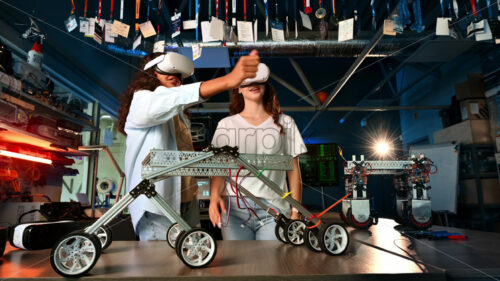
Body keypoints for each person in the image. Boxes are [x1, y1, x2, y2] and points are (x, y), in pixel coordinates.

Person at [117, 50, 260, 241]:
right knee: (162, 266)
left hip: (186, 202)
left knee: (191, 263)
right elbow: (172, 97)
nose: (175, 77)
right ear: (150, 74)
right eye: (167, 71)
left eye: (179, 75)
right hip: (158, 204)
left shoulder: (178, 114)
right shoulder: (142, 100)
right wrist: (228, 80)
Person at [209, 63, 307, 240]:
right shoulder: (226, 125)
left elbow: (293, 170)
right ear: (238, 88)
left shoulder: (286, 123)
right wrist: (213, 197)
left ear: (265, 86)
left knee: (272, 264)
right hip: (233, 209)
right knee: (238, 265)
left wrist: (296, 211)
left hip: (274, 208)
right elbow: (219, 169)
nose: (253, 85)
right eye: (246, 82)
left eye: (258, 81)